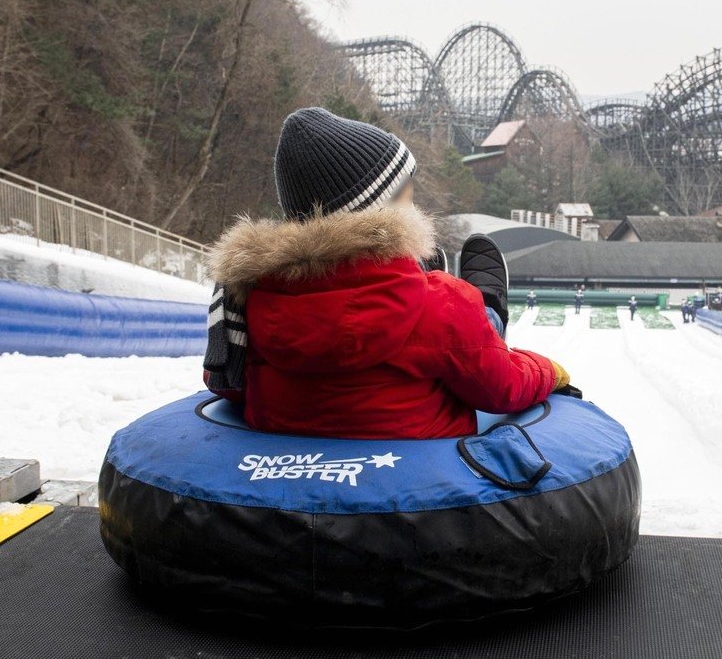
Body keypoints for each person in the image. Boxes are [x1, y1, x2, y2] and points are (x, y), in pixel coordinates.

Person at [202, 107, 568, 440]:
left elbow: (224, 381)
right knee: (469, 322)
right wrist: (550, 370)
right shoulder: (441, 304)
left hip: (292, 471)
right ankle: (490, 310)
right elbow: (503, 388)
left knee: (451, 324)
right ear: (385, 211)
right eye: (408, 197)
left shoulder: (249, 302)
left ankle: (457, 301)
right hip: (423, 475)